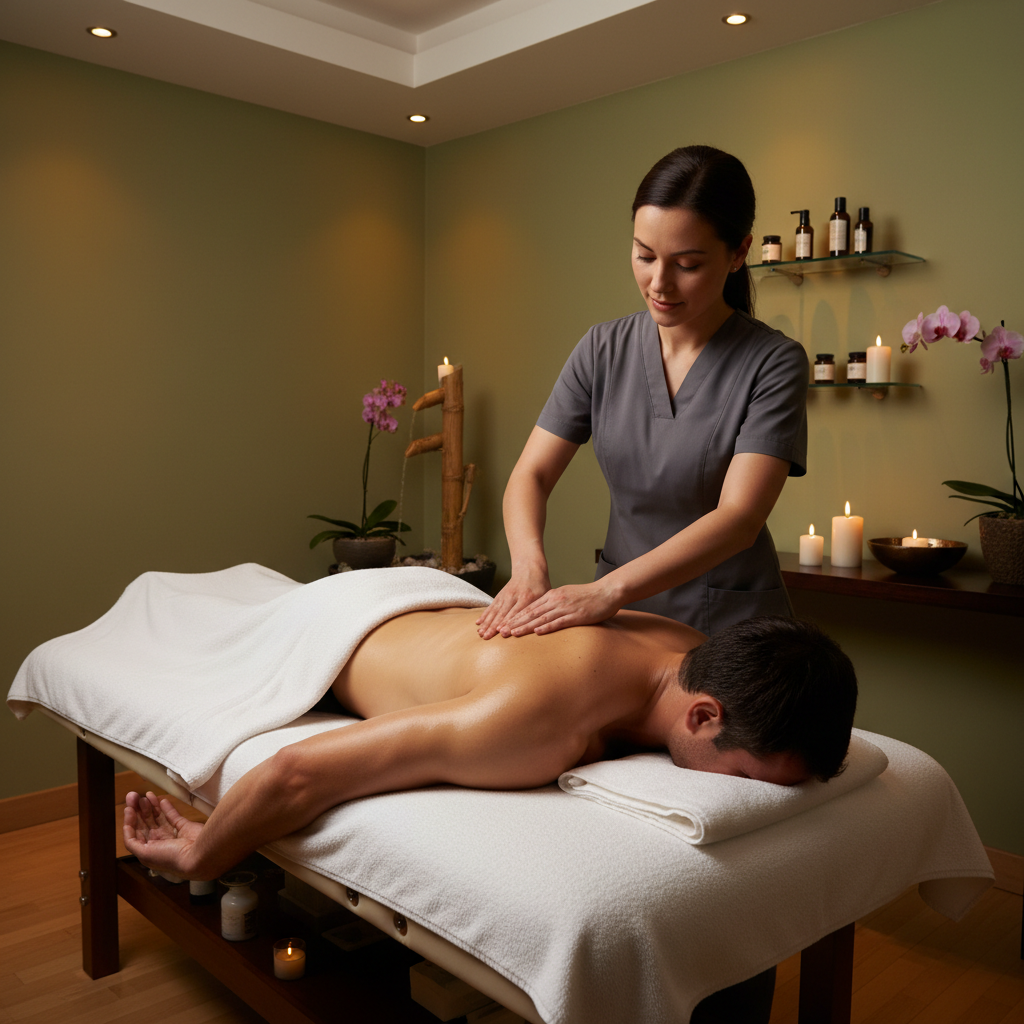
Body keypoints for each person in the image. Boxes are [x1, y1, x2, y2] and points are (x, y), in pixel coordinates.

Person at [123, 611, 856, 882]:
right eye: (746, 779)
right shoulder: (536, 723)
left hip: (435, 612)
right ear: (701, 716)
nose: (744, 795)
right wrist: (202, 853)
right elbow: (298, 772)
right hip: (335, 627)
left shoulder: (694, 649)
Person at [476, 145, 808, 642]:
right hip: (619, 620)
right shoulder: (602, 349)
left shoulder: (774, 362)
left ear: (739, 253)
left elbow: (739, 518)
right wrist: (528, 567)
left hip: (727, 626)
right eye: (645, 256)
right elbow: (532, 474)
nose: (659, 283)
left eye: (687, 264)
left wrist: (608, 590)